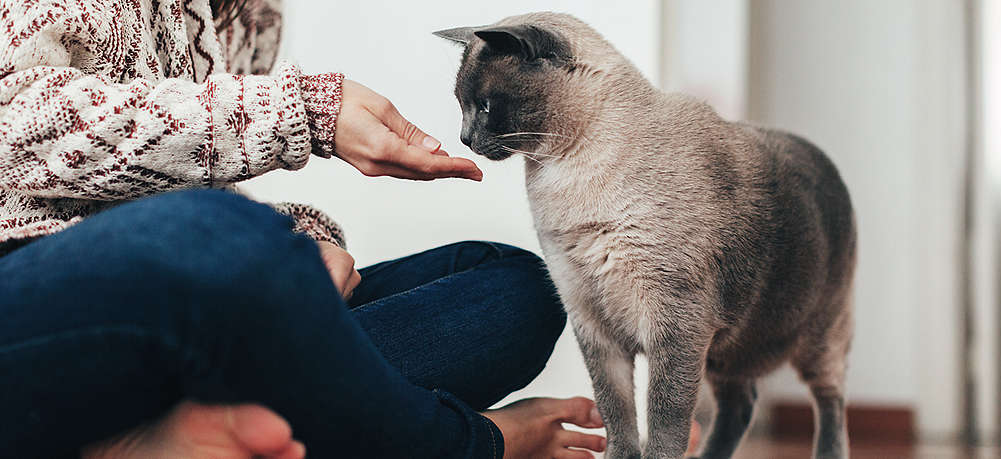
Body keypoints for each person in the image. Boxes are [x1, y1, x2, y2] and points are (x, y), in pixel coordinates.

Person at [0, 0, 610, 457]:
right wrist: (306, 113)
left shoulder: (252, 13)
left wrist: (300, 244)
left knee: (515, 288)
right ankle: (471, 445)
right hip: (34, 293)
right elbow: (17, 133)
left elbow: (179, 170)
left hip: (182, 313)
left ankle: (156, 428)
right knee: (217, 232)